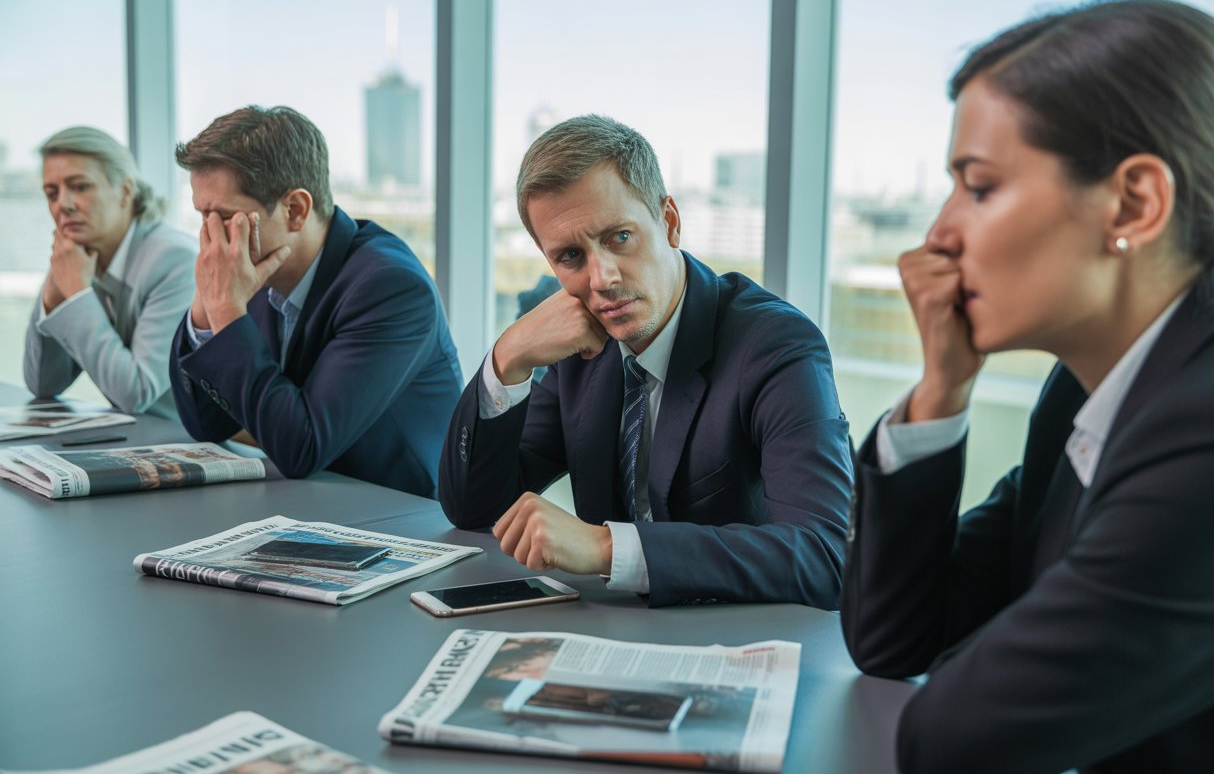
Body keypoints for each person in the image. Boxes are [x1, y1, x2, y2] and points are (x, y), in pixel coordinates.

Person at [840, 0, 1214, 773]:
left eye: (978, 188)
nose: (939, 235)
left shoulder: (1201, 430)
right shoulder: (1083, 396)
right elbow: (895, 641)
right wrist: (941, 390)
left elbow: (954, 735)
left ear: (1133, 202)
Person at [439, 114, 851, 608]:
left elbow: (823, 556)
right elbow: (474, 508)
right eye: (571, 256)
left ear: (669, 222)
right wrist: (508, 357)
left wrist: (605, 548)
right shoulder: (581, 343)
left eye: (619, 237)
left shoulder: (775, 345)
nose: (602, 279)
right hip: (613, 633)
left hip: (737, 638)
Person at [168, 106, 461, 496]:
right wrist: (208, 305)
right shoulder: (258, 271)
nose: (211, 238)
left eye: (224, 217)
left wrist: (225, 309)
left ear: (295, 210)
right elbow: (207, 424)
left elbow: (300, 448)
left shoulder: (390, 287)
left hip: (407, 516)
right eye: (201, 216)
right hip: (318, 504)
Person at [24, 127, 195, 419]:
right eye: (52, 193)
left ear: (126, 190)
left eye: (80, 187)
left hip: (195, 448)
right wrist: (54, 294)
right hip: (138, 439)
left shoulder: (175, 260)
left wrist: (77, 292)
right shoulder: (80, 257)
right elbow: (43, 384)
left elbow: (136, 393)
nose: (63, 204)